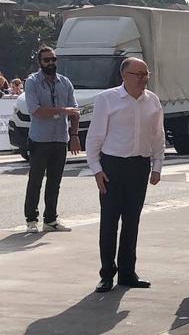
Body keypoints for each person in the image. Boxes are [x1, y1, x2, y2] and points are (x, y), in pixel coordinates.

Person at [86, 57, 165, 293]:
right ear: (124, 76)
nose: (143, 79)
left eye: (146, 74)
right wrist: (96, 170)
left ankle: (128, 272)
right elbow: (95, 137)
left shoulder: (152, 101)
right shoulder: (107, 99)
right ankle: (107, 274)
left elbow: (158, 136)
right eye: (138, 74)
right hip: (112, 166)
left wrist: (157, 166)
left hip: (138, 166)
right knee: (110, 222)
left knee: (132, 221)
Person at [23, 46, 81, 233]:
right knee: (36, 180)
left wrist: (74, 136)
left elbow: (75, 111)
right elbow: (36, 110)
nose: (51, 63)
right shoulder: (32, 82)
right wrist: (63, 111)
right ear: (40, 62)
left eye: (53, 59)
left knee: (55, 181)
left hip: (60, 138)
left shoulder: (64, 82)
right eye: (47, 60)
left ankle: (50, 220)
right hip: (40, 139)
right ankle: (31, 219)